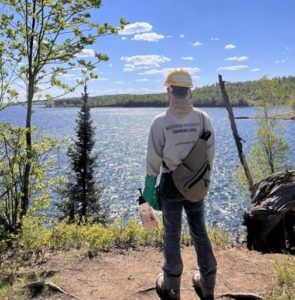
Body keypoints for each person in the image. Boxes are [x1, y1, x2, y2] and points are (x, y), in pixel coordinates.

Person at [142, 69, 217, 300]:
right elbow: (209, 154)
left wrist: (149, 186)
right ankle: (208, 285)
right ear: (189, 91)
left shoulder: (161, 122)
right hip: (196, 186)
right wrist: (201, 178)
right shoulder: (203, 118)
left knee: (172, 236)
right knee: (200, 233)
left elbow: (154, 158)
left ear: (169, 90)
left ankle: (172, 288)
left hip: (171, 186)